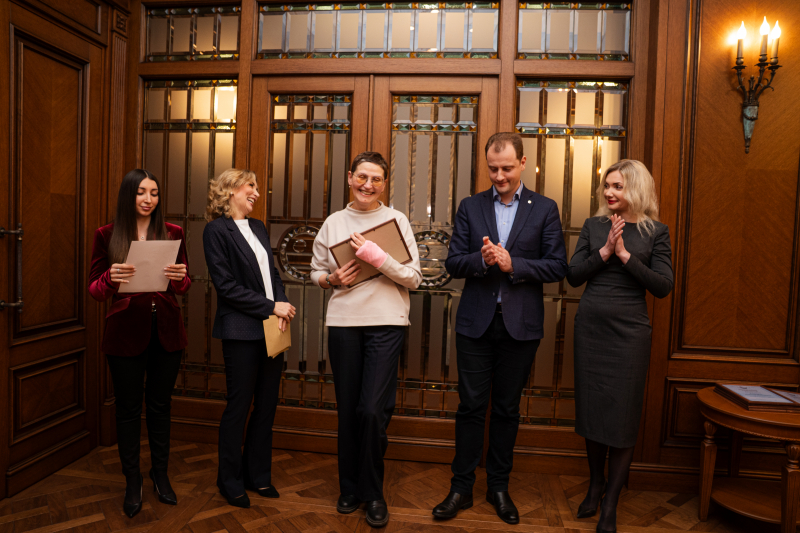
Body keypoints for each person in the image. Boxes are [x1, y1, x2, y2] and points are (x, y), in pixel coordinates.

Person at [432, 132, 568, 525]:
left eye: (507, 168)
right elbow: (453, 263)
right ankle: (461, 488)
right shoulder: (470, 206)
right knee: (471, 407)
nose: (499, 176)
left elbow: (558, 266)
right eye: (493, 169)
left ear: (523, 163)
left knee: (507, 410)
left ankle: (498, 487)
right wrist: (482, 259)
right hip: (475, 324)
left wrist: (514, 265)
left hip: (520, 326)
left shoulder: (545, 208)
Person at [310, 151, 422, 528]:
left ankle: (373, 493)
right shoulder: (334, 222)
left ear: (384, 184)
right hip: (344, 323)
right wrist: (330, 280)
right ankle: (350, 488)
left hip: (387, 323)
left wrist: (378, 258)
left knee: (372, 410)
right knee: (348, 411)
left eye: (375, 179)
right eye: (361, 177)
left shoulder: (396, 220)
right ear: (349, 177)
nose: (367, 185)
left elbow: (414, 278)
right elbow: (316, 272)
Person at [566, 159, 673, 533]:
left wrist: (625, 256)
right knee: (594, 413)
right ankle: (595, 485)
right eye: (607, 186)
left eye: (617, 186)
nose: (609, 192)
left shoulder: (656, 232)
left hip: (629, 335)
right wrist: (605, 252)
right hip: (591, 329)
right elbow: (573, 275)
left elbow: (663, 286)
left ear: (636, 189)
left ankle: (610, 502)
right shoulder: (593, 226)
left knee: (623, 418)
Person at [88, 169, 190, 518]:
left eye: (154, 193)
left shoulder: (173, 232)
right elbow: (95, 289)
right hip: (124, 334)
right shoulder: (106, 234)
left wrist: (181, 278)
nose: (149, 199)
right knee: (128, 409)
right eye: (141, 192)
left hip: (167, 331)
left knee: (161, 406)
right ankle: (132, 481)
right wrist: (110, 277)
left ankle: (160, 475)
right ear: (128, 195)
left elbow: (184, 285)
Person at [203, 169, 296, 509]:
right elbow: (226, 287)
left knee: (266, 406)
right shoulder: (216, 231)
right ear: (230, 189)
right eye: (251, 185)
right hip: (240, 330)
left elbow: (273, 275)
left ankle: (258, 476)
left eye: (257, 186)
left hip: (273, 327)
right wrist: (272, 306)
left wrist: (281, 307)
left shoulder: (258, 227)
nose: (257, 192)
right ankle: (229, 480)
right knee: (239, 407)